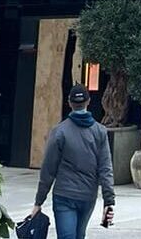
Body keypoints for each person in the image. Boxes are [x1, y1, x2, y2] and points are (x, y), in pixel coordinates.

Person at [30, 85, 115, 239]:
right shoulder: (100, 132)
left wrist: (39, 201)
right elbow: (105, 168)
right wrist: (109, 201)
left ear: (69, 103)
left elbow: (48, 170)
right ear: (88, 102)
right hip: (88, 196)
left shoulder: (59, 132)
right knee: (79, 235)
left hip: (64, 195)